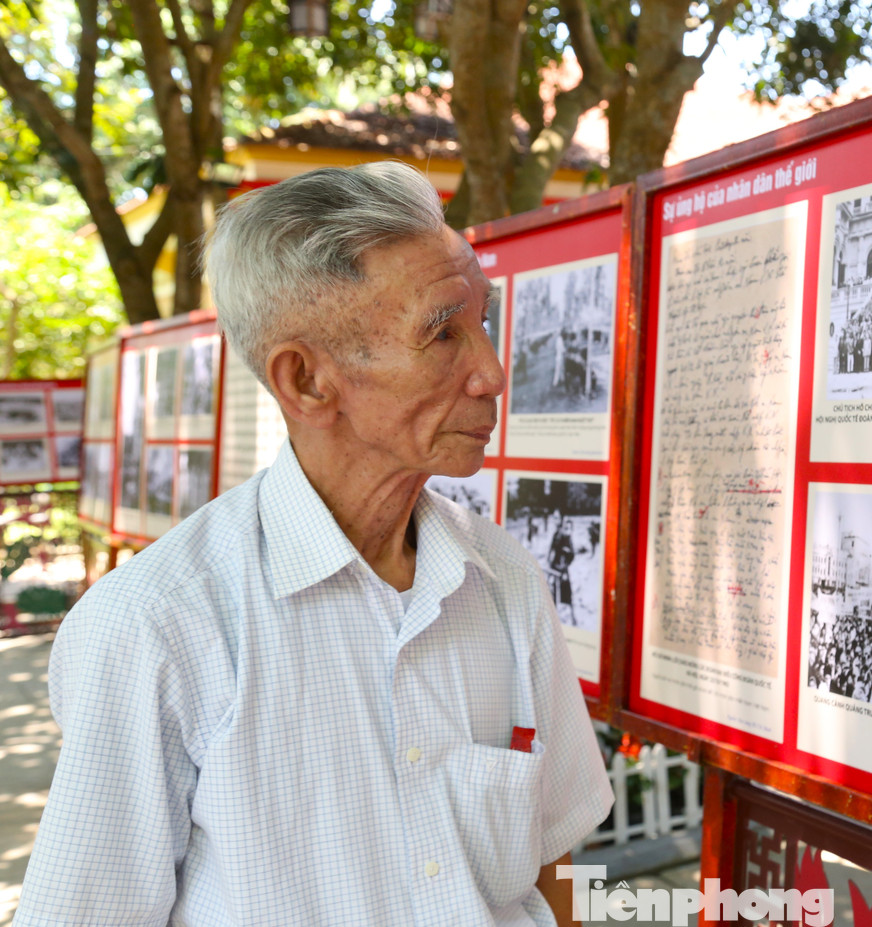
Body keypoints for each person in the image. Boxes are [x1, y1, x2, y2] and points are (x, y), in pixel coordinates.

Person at [17, 163, 612, 925]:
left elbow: (553, 860)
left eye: (484, 322)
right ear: (305, 381)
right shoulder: (157, 626)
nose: (493, 373)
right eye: (443, 334)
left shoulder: (501, 578)